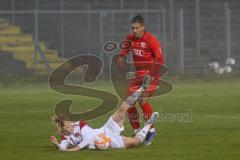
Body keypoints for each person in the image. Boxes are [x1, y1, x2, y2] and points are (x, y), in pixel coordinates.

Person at [50, 76, 159, 151]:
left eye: (68, 126)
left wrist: (74, 150)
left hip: (106, 130)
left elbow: (88, 139)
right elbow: (63, 147)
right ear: (63, 131)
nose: (69, 129)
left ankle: (141, 88)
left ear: (69, 122)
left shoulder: (80, 124)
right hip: (108, 141)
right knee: (135, 143)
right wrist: (57, 145)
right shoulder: (66, 137)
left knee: (122, 109)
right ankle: (149, 124)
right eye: (66, 129)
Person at [117, 14, 164, 145]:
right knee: (129, 103)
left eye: (137, 28)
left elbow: (160, 61)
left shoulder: (151, 40)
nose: (134, 31)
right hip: (138, 75)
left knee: (143, 100)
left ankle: (151, 131)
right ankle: (137, 130)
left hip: (152, 75)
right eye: (132, 28)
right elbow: (124, 51)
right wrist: (121, 57)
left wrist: (151, 75)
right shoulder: (130, 39)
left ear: (142, 27)